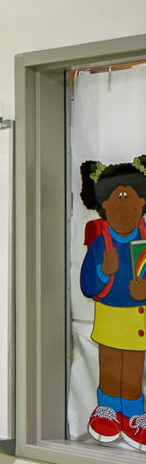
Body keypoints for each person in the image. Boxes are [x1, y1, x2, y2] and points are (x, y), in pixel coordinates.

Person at [78, 157, 146, 446]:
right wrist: (103, 272)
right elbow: (86, 284)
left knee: (132, 364)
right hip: (108, 315)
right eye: (117, 197)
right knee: (109, 362)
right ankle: (106, 409)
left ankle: (132, 413)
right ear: (103, 204)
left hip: (137, 317)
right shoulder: (100, 241)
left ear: (143, 201)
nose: (124, 205)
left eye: (130, 196)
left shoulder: (144, 240)